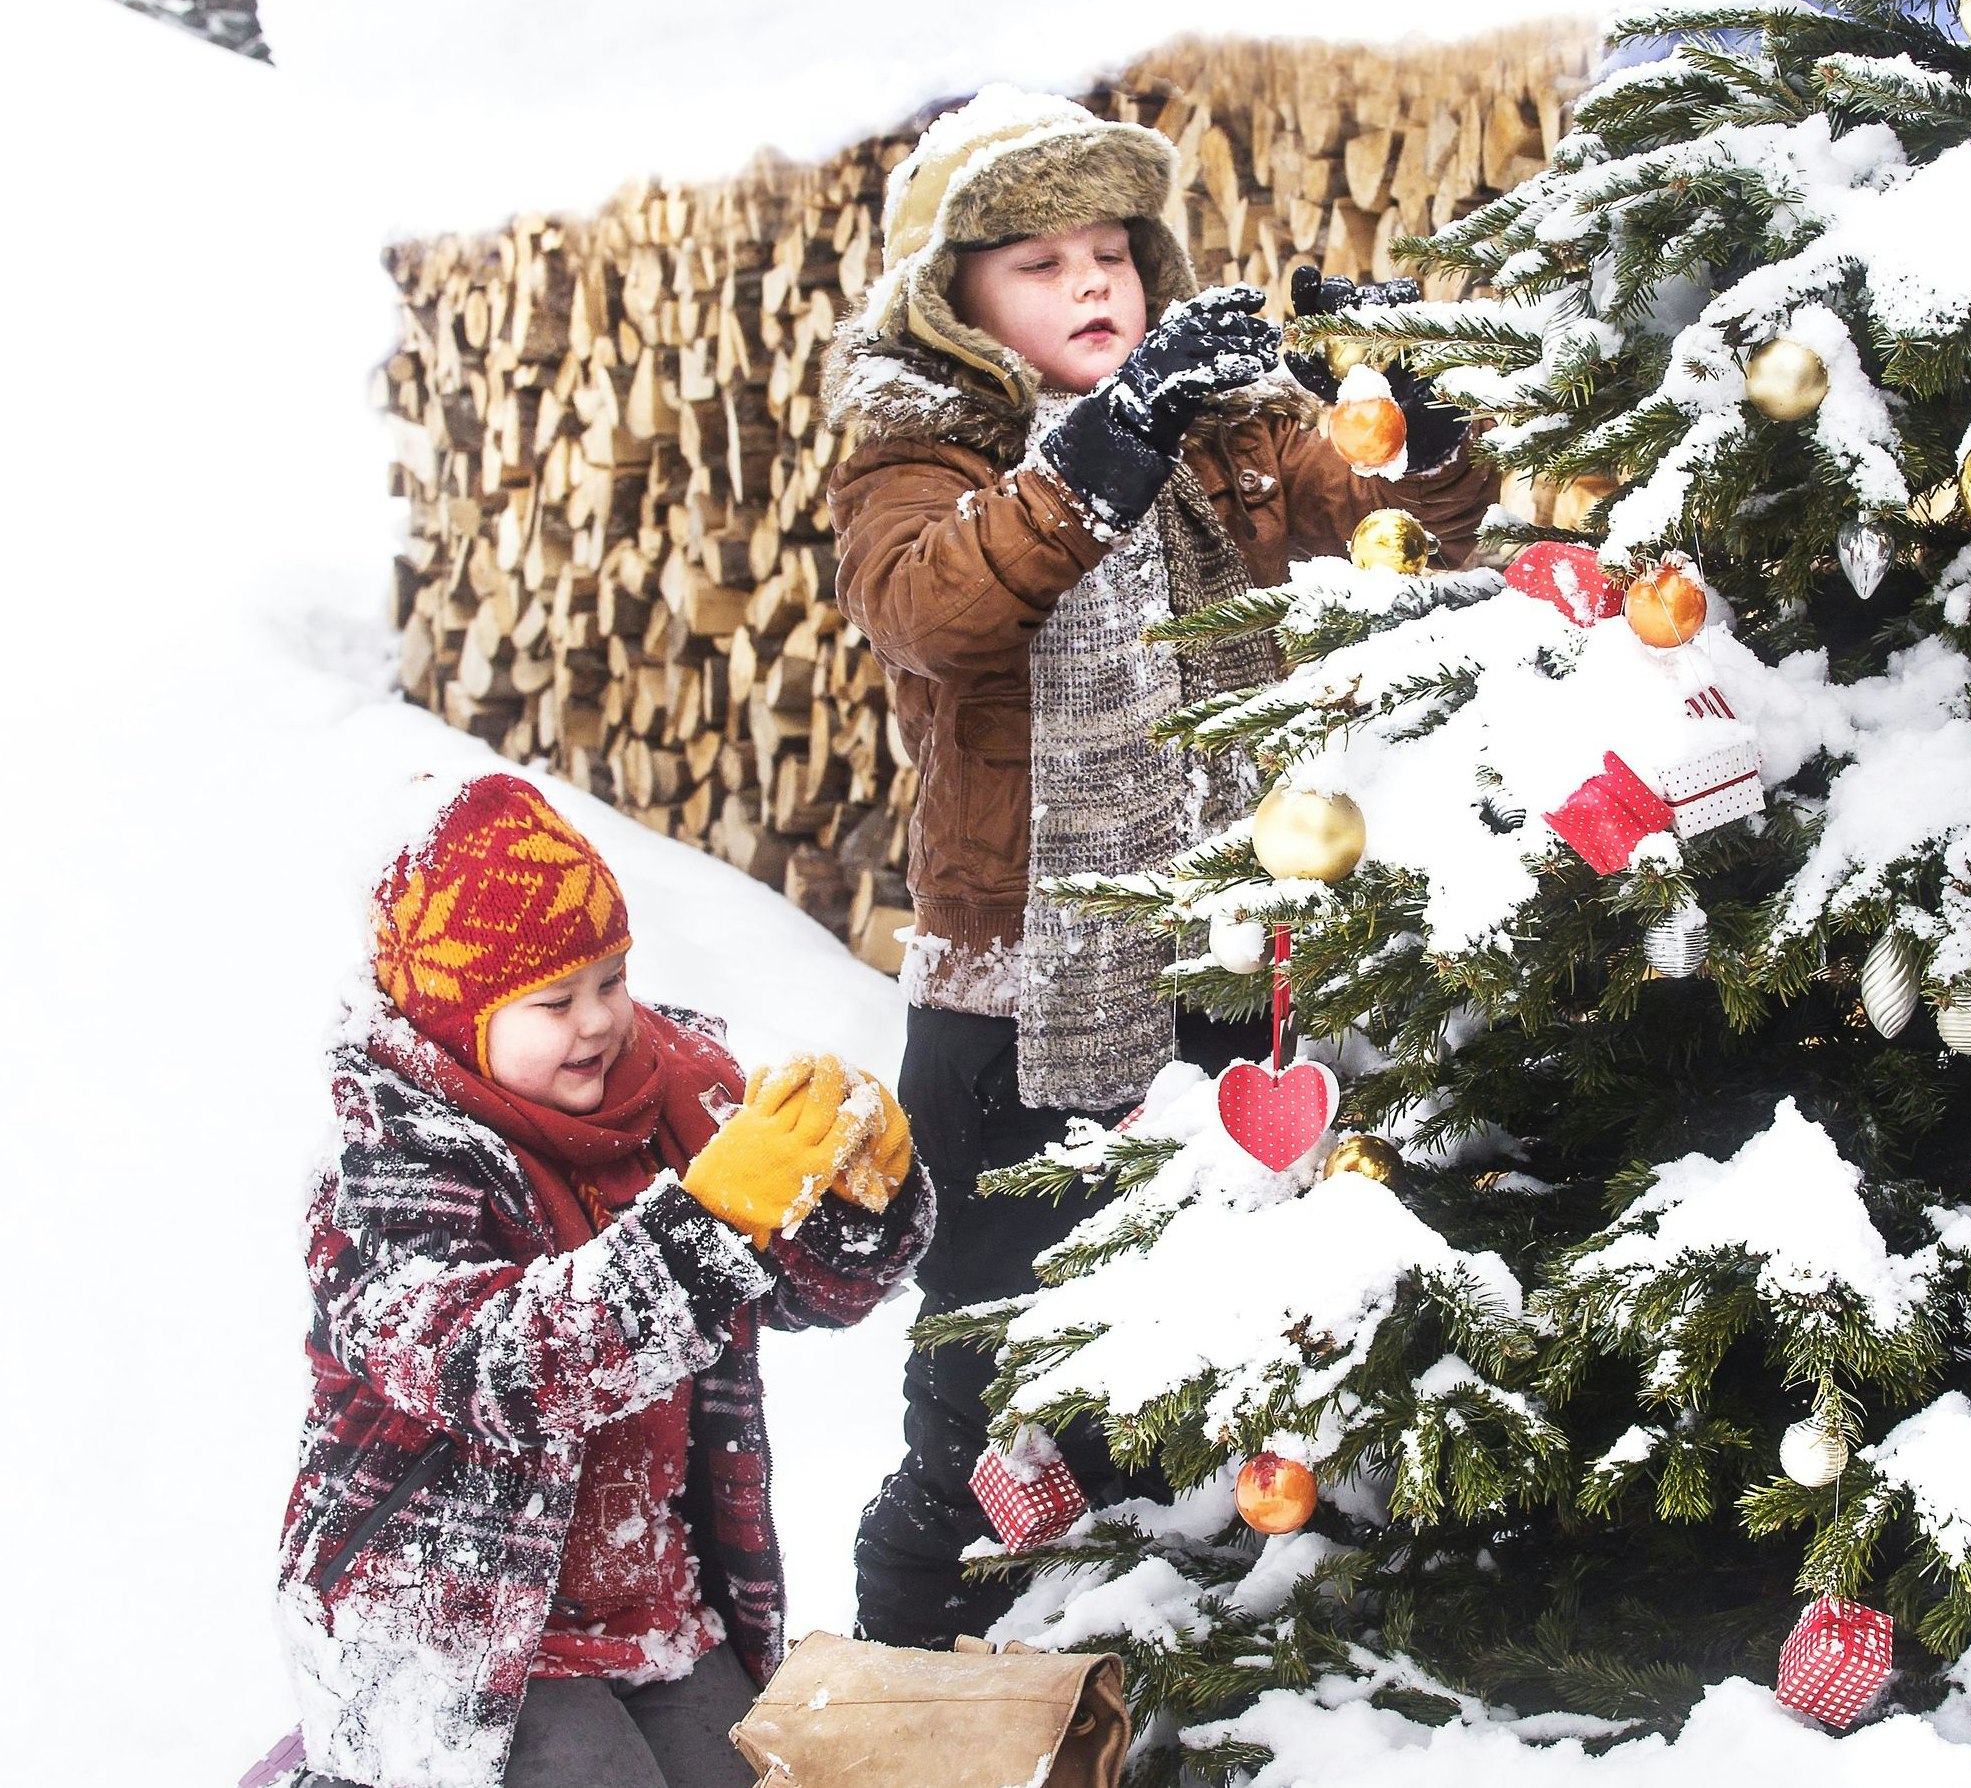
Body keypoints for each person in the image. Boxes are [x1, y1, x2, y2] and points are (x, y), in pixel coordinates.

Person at [822, 87, 1491, 1647]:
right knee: (989, 1384)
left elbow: (1400, 532)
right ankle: (911, 1669)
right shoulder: (918, 449)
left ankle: (1150, 1658)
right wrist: (1102, 452)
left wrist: (1412, 411)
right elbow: (933, 608)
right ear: (957, 298)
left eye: (1113, 249)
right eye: (1041, 263)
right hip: (1015, 1004)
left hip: (1222, 960)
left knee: (1197, 1360)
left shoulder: (1235, 424)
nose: (1096, 285)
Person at [277, 773, 933, 1788]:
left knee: (742, 1774)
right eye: (554, 1001)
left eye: (610, 979)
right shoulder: (388, 1168)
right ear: (458, 1014)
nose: (598, 1022)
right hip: (456, 1623)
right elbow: (499, 1372)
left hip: (645, 1597)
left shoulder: (674, 1083)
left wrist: (855, 1203)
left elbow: (810, 1290)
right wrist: (705, 1223)